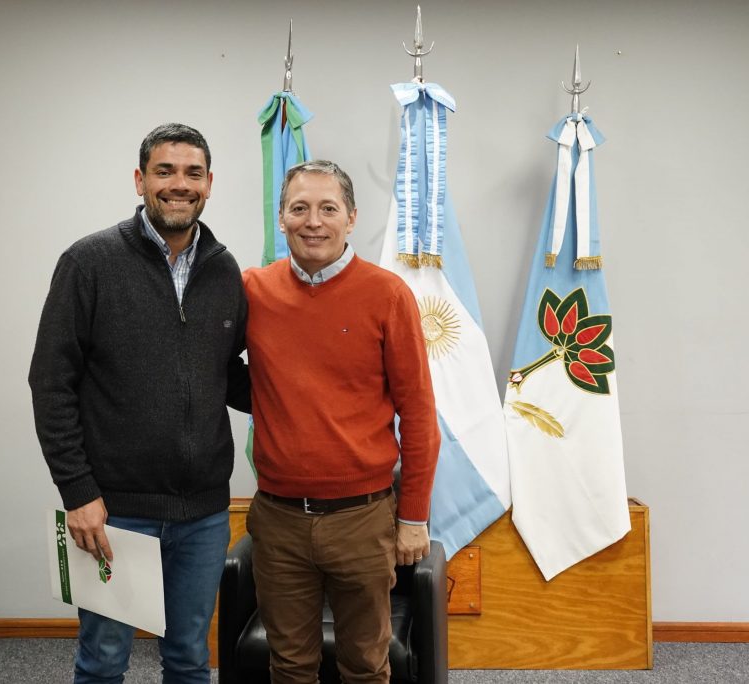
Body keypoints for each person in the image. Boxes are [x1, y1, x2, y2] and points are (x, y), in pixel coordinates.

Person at [29, 123, 249, 683]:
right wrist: (78, 492)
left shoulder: (224, 271)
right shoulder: (90, 262)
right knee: (103, 663)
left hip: (201, 513)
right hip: (113, 512)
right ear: (140, 180)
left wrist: (314, 388)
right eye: (165, 171)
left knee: (190, 658)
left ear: (209, 184)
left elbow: (228, 376)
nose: (179, 184)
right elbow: (50, 383)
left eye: (192, 173)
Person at [242, 160, 440, 683]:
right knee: (288, 667)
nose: (314, 221)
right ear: (281, 219)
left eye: (328, 208)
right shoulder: (252, 292)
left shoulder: (387, 294)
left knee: (365, 666)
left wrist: (414, 517)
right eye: (299, 208)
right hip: (278, 519)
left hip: (363, 520)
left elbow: (419, 414)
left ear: (351, 218)